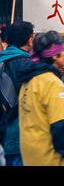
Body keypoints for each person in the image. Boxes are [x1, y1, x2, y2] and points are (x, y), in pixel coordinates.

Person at [18, 31, 64, 166]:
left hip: (31, 158)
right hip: (51, 159)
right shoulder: (52, 83)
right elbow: (63, 127)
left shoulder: (27, 81)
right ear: (54, 55)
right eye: (63, 49)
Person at [0, 21, 34, 166]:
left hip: (3, 131)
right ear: (29, 39)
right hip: (19, 131)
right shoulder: (26, 63)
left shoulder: (2, 59)